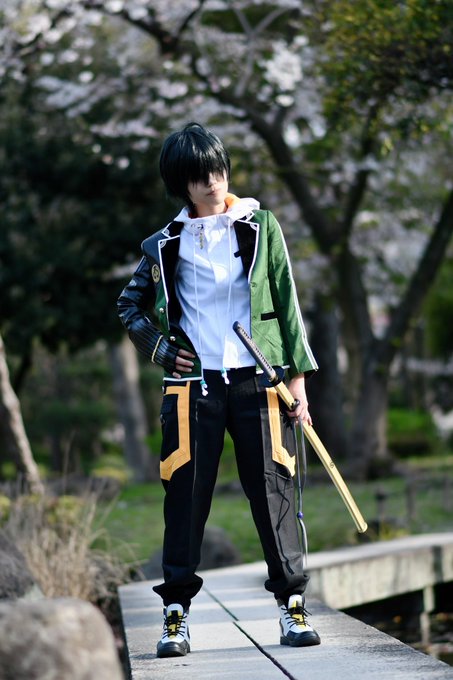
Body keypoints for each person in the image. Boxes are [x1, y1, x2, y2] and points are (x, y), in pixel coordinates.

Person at [117, 122, 320, 658]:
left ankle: (292, 605)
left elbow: (287, 301)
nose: (213, 181)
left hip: (259, 381)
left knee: (273, 492)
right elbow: (128, 306)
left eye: (218, 169)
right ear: (181, 184)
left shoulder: (260, 226)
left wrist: (298, 380)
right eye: (200, 175)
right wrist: (161, 351)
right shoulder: (164, 244)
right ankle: (175, 616)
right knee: (185, 498)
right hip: (192, 388)